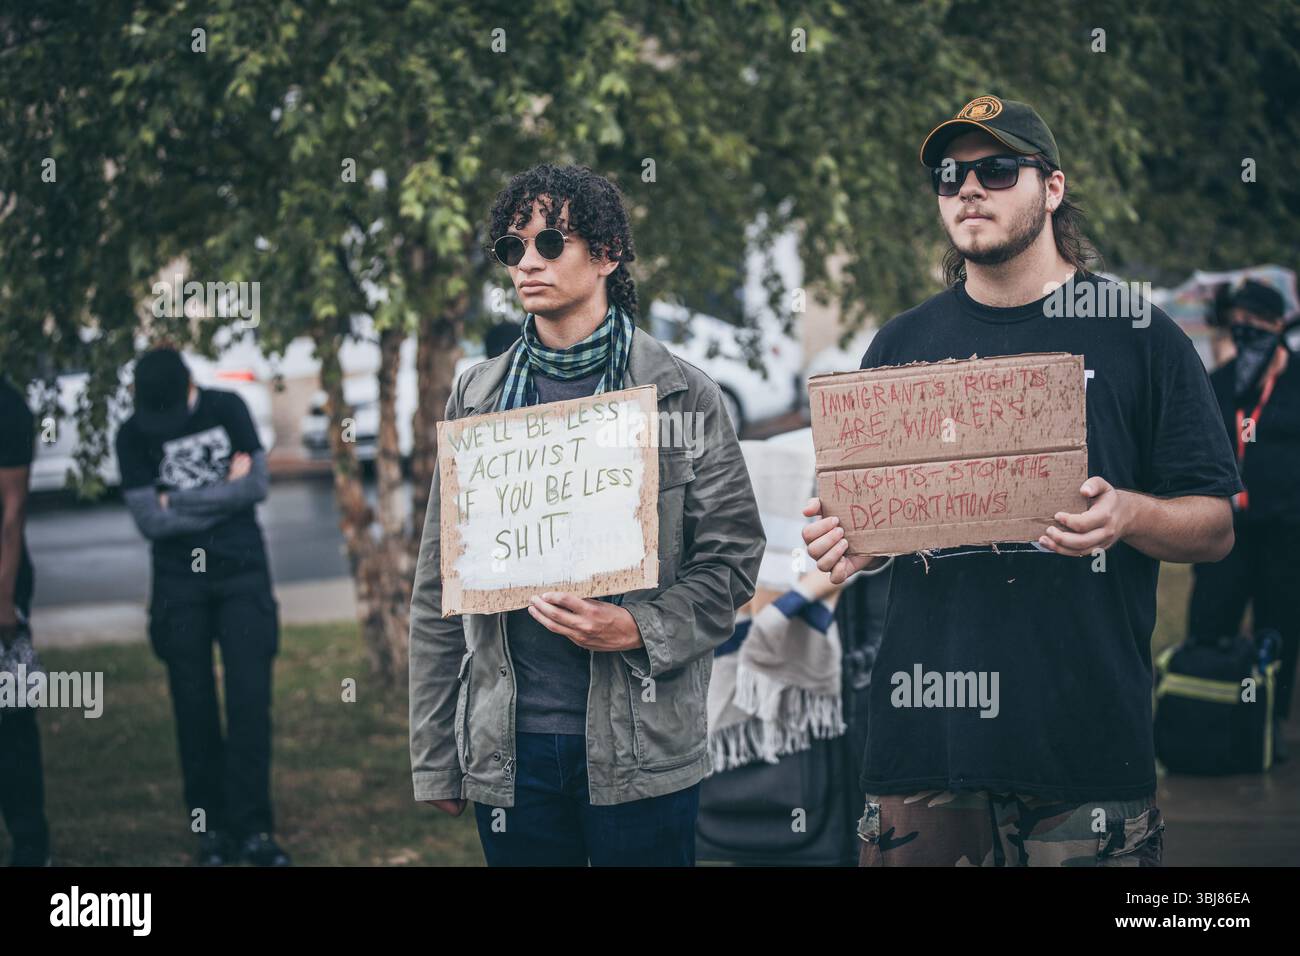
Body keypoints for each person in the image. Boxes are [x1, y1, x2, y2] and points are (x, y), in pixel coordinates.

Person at [801, 96, 1241, 866]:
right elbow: (857, 517)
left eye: (996, 170)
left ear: (1054, 187)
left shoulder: (1141, 335)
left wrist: (1129, 516)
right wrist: (851, 540)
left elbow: (1215, 525)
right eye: (949, 175)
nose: (969, 189)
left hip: (1083, 749)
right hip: (924, 752)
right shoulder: (900, 343)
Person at [409, 164, 765, 866]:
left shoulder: (681, 394)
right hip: (510, 751)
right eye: (513, 250)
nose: (528, 263)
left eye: (550, 242)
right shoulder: (478, 397)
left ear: (606, 255)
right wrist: (433, 754)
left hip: (641, 746)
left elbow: (732, 562)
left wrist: (637, 627)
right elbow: (434, 588)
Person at [115, 347, 290, 866]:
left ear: (193, 387)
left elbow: (256, 486)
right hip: (178, 587)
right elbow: (150, 521)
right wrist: (222, 492)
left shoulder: (228, 408)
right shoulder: (132, 434)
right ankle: (209, 831)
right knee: (191, 707)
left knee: (249, 703)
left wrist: (178, 500)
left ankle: (254, 830)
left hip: (242, 577)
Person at [1187, 279, 1300, 758]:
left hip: (1286, 537)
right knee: (1210, 623)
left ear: (1279, 325)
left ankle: (1267, 724)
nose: (1247, 330)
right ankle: (1201, 718)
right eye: (1240, 323)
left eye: (1257, 323)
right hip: (1226, 536)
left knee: (1278, 630)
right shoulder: (1221, 382)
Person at [0, 377, 51, 866]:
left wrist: (4, 597)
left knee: (10, 717)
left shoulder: (7, 406)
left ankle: (32, 845)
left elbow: (11, 512)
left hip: (3, 583)